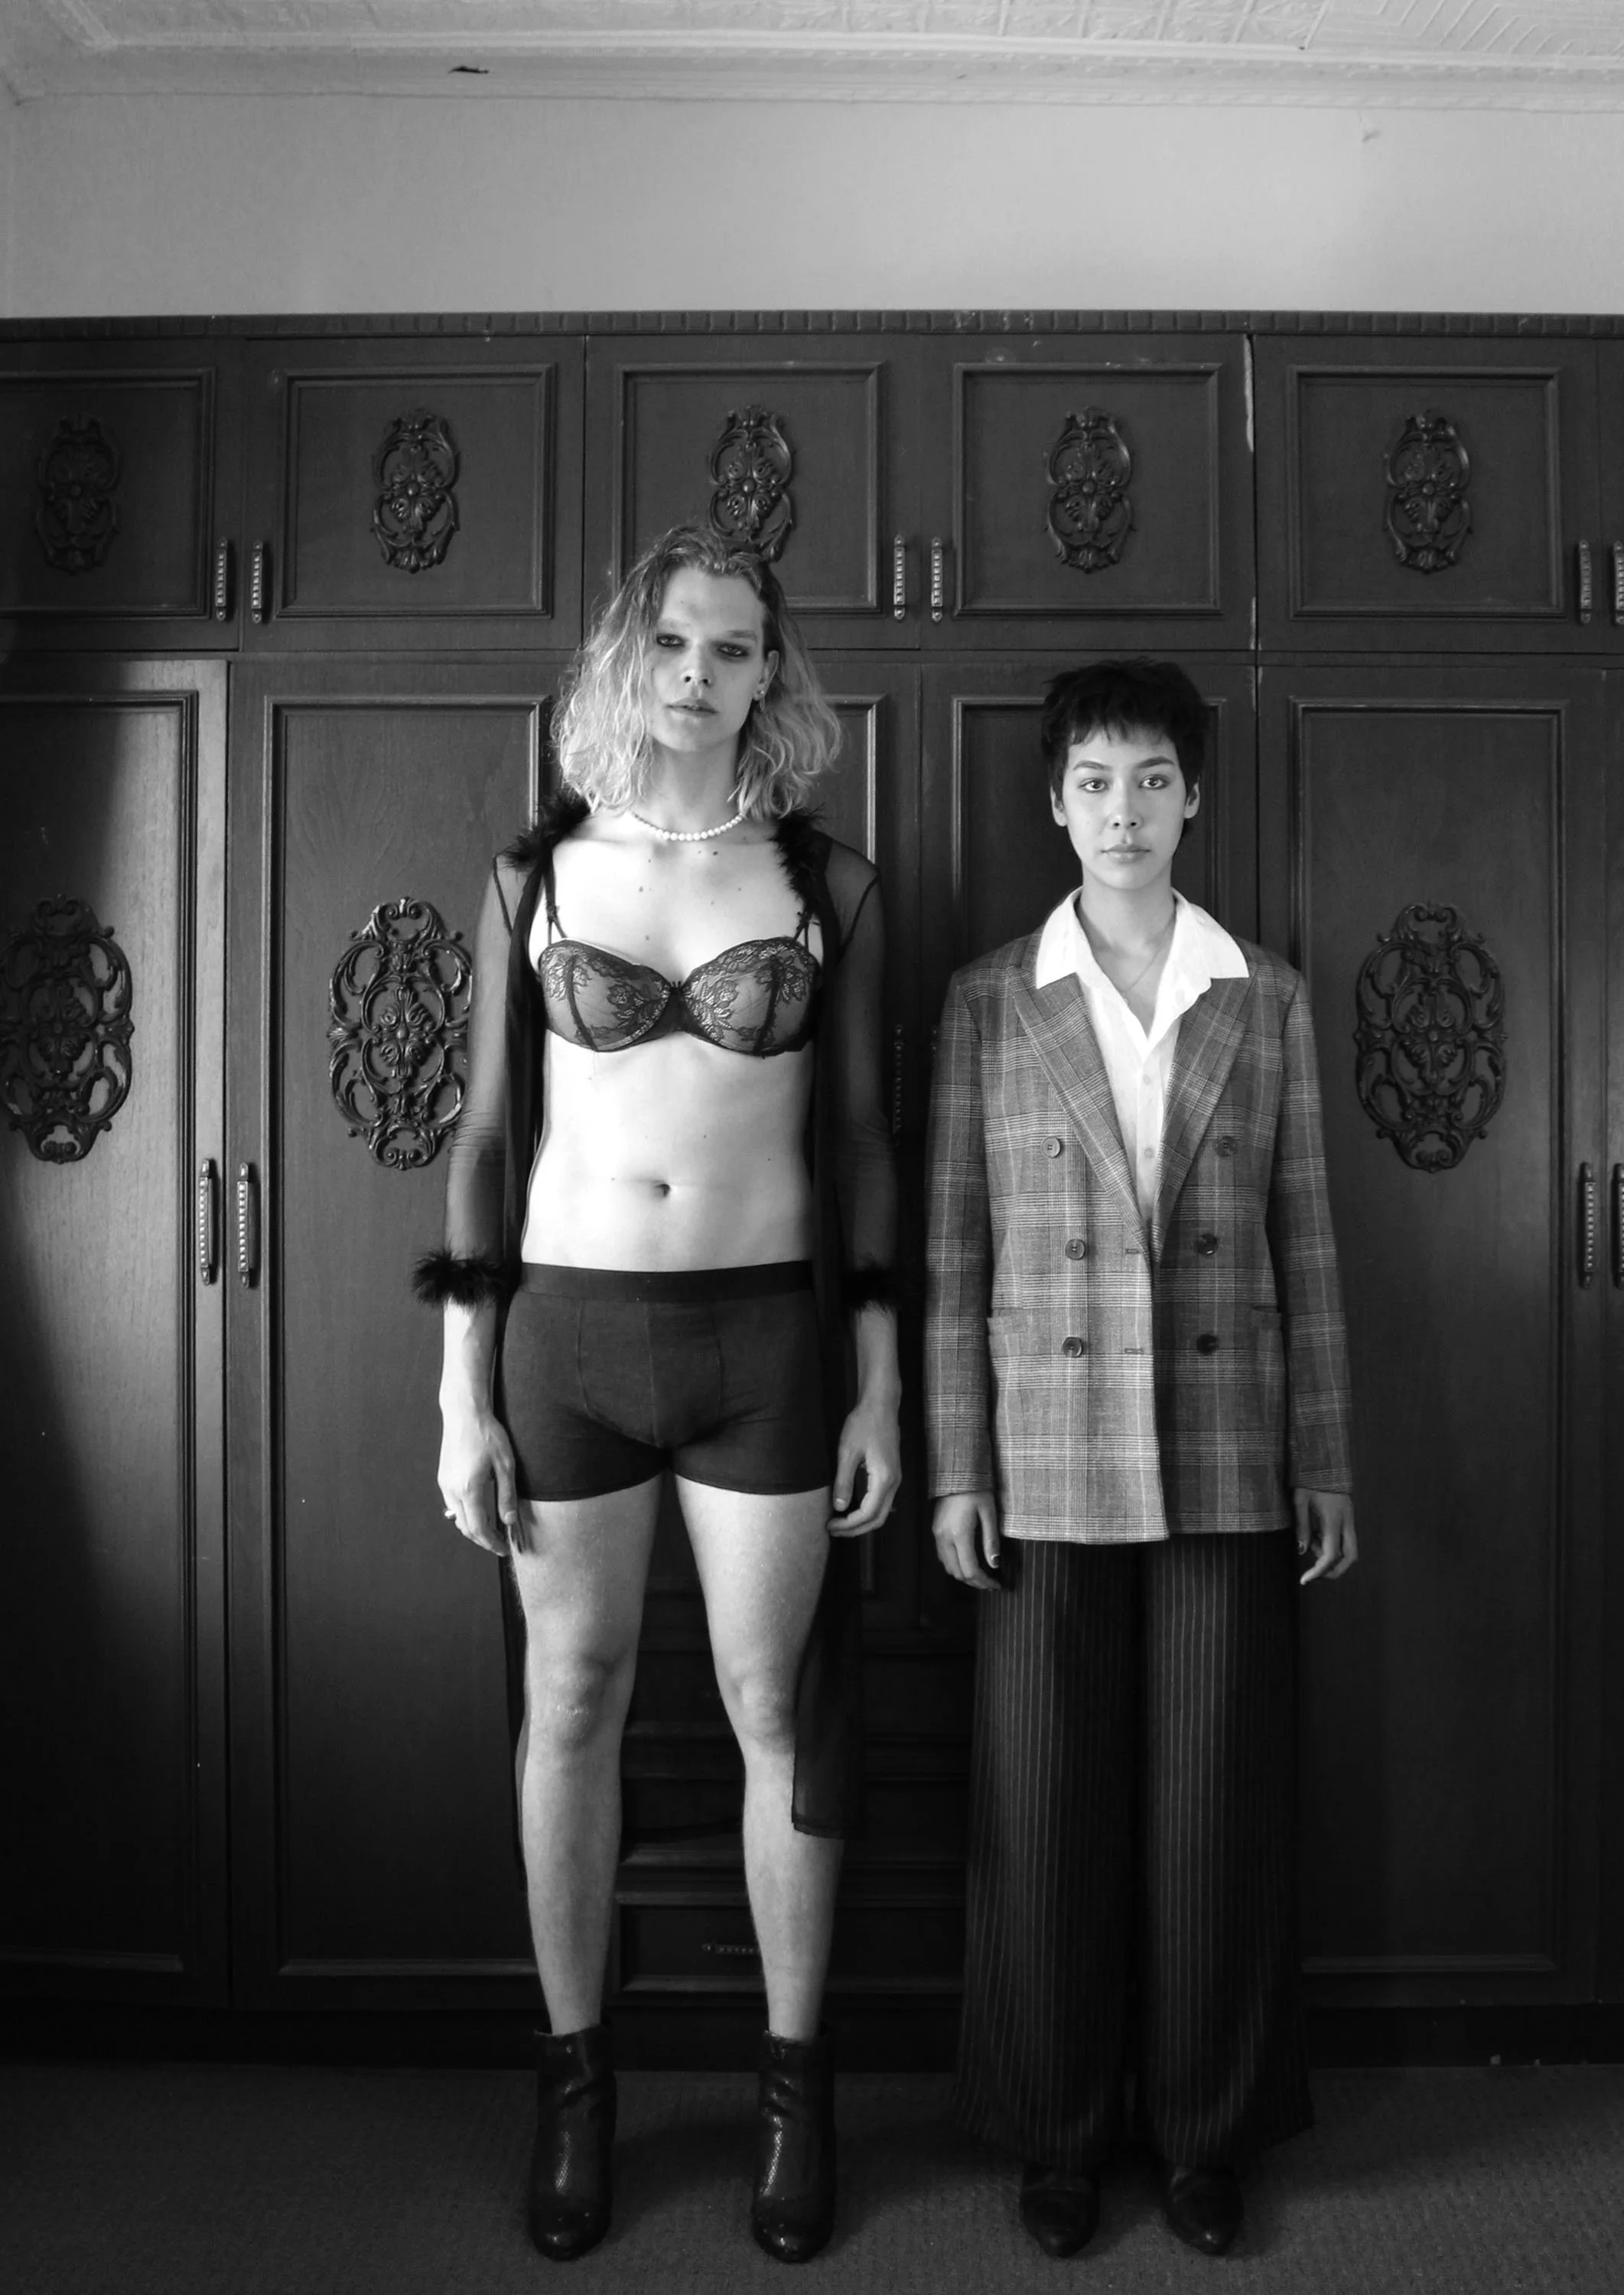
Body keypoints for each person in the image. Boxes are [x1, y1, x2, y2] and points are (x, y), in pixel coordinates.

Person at [415, 522, 899, 2266]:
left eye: (735, 647)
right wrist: (461, 1392)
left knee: (777, 1710)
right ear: (631, 658)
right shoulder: (535, 876)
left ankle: (793, 2094)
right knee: (571, 1699)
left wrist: (879, 1385)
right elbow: (485, 1143)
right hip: (566, 1342)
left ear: (774, 674)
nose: (701, 674)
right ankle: (576, 2089)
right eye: (676, 643)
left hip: (765, 1343)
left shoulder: (828, 884)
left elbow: (864, 1145)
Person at [924, 657, 1356, 2261]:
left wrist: (1326, 1456)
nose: (1124, 811)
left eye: (1153, 780)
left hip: (1229, 1447)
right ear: (1057, 802)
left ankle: (1204, 2132)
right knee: (1042, 1807)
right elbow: (953, 1251)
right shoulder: (989, 1000)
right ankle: (1055, 2132)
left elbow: (1308, 1242)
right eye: (1096, 782)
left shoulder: (1267, 994)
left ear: (1193, 797)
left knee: (1213, 1807)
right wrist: (956, 1467)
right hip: (1043, 1454)